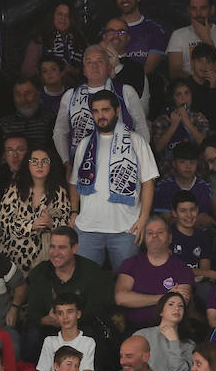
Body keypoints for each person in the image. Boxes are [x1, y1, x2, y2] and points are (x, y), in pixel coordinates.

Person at [67, 88, 158, 270]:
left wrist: (144, 218)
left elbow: (148, 182)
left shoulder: (136, 141)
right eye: (96, 111)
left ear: (117, 111)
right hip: (87, 228)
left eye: (105, 110)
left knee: (127, 283)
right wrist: (74, 212)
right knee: (87, 284)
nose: (101, 115)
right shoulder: (85, 144)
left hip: (126, 228)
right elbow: (74, 182)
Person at [0, 146, 71, 275]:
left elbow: (67, 226)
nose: (39, 165)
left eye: (44, 161)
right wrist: (31, 225)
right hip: (16, 251)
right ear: (28, 165)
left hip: (49, 253)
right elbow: (5, 223)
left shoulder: (59, 192)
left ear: (50, 165)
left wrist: (51, 224)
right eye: (34, 161)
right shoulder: (14, 189)